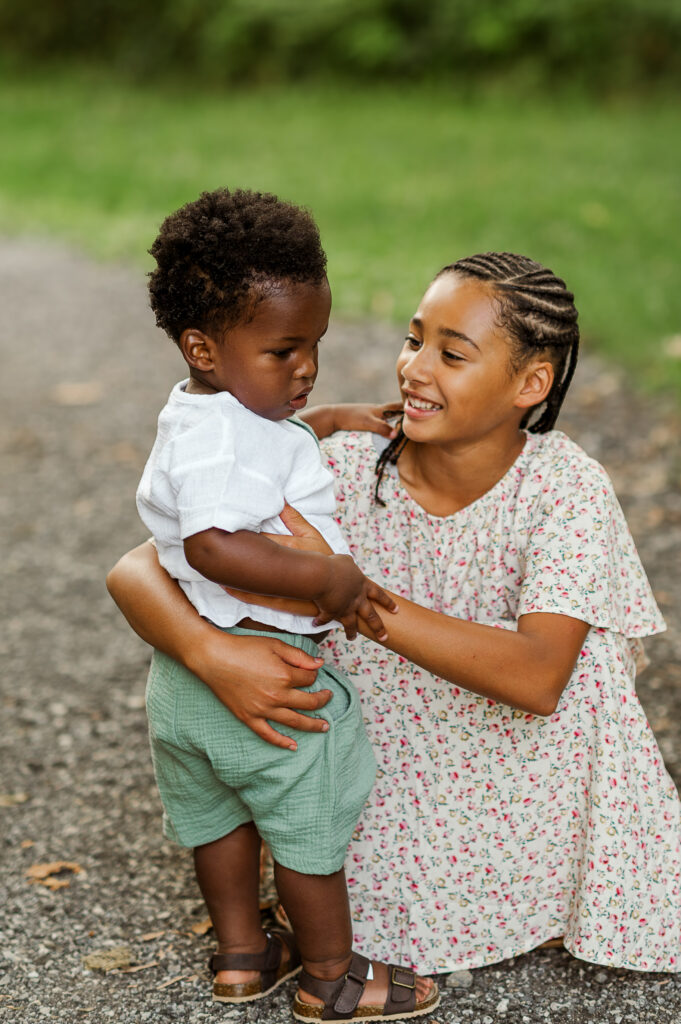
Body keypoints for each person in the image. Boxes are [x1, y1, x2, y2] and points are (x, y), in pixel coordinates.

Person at [108, 251, 681, 979]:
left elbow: (539, 679)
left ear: (530, 384)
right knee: (328, 844)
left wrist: (345, 595)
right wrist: (207, 651)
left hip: (521, 775)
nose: (414, 368)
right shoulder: (341, 468)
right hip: (385, 755)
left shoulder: (563, 488)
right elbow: (135, 568)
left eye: (452, 353)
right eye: (413, 340)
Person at [130, 186, 438, 1021]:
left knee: (218, 823)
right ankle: (330, 976)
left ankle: (239, 957)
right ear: (202, 345)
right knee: (305, 829)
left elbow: (259, 446)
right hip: (267, 667)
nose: (304, 367)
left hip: (183, 682)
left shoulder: (210, 411)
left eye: (316, 346)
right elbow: (211, 546)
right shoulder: (227, 437)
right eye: (283, 351)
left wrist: (327, 419)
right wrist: (326, 580)